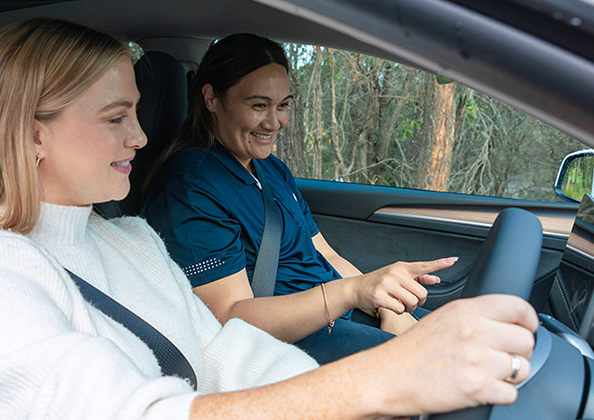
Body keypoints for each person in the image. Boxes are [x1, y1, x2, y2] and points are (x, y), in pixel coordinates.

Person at [0, 18, 537, 419]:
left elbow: (227, 354)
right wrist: (378, 383)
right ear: (33, 134)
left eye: (136, 111)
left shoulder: (128, 239)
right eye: (115, 118)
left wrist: (369, 400)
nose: (141, 136)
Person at [141, 33, 448, 363]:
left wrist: (381, 303)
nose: (275, 122)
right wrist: (351, 292)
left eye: (283, 105)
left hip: (334, 312)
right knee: (434, 366)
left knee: (458, 337)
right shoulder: (189, 187)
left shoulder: (270, 168)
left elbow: (323, 252)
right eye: (259, 105)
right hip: (284, 340)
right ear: (212, 98)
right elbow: (229, 318)